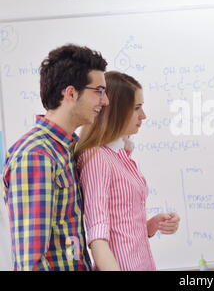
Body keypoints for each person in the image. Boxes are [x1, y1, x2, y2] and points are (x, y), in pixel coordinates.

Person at [2, 44, 109, 270]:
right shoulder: (36, 156)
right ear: (71, 93)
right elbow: (30, 260)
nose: (105, 101)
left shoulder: (66, 149)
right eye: (99, 91)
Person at [75, 71, 180, 271]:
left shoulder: (121, 155)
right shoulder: (97, 158)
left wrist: (152, 225)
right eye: (137, 108)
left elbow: (122, 226)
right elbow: (97, 236)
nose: (144, 116)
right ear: (115, 111)